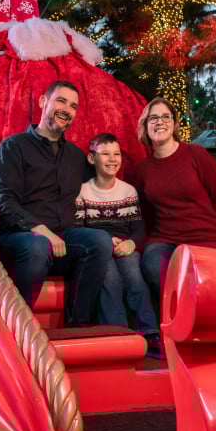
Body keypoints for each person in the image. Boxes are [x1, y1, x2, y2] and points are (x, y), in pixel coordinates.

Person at [0, 80, 112, 326]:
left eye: (73, 106)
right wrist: (39, 229)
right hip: (19, 238)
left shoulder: (77, 156)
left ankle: (78, 326)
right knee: (38, 246)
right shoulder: (14, 146)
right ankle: (15, 328)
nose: (67, 109)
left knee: (100, 241)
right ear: (44, 102)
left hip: (63, 239)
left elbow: (101, 190)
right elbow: (1, 198)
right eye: (61, 100)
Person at [133, 97, 216, 301]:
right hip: (165, 240)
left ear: (175, 123)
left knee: (206, 278)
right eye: (153, 118)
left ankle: (197, 320)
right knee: (151, 266)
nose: (160, 122)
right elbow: (145, 214)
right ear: (145, 125)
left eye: (165, 117)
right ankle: (177, 321)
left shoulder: (196, 154)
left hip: (205, 238)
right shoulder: (142, 170)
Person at [75, 133, 162, 356]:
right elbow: (78, 228)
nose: (112, 159)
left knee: (134, 274)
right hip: (99, 249)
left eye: (116, 154)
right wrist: (105, 239)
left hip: (125, 246)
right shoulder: (83, 191)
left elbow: (139, 229)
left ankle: (149, 332)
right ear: (92, 158)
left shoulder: (127, 191)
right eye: (105, 154)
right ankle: (117, 334)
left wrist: (133, 243)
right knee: (110, 278)